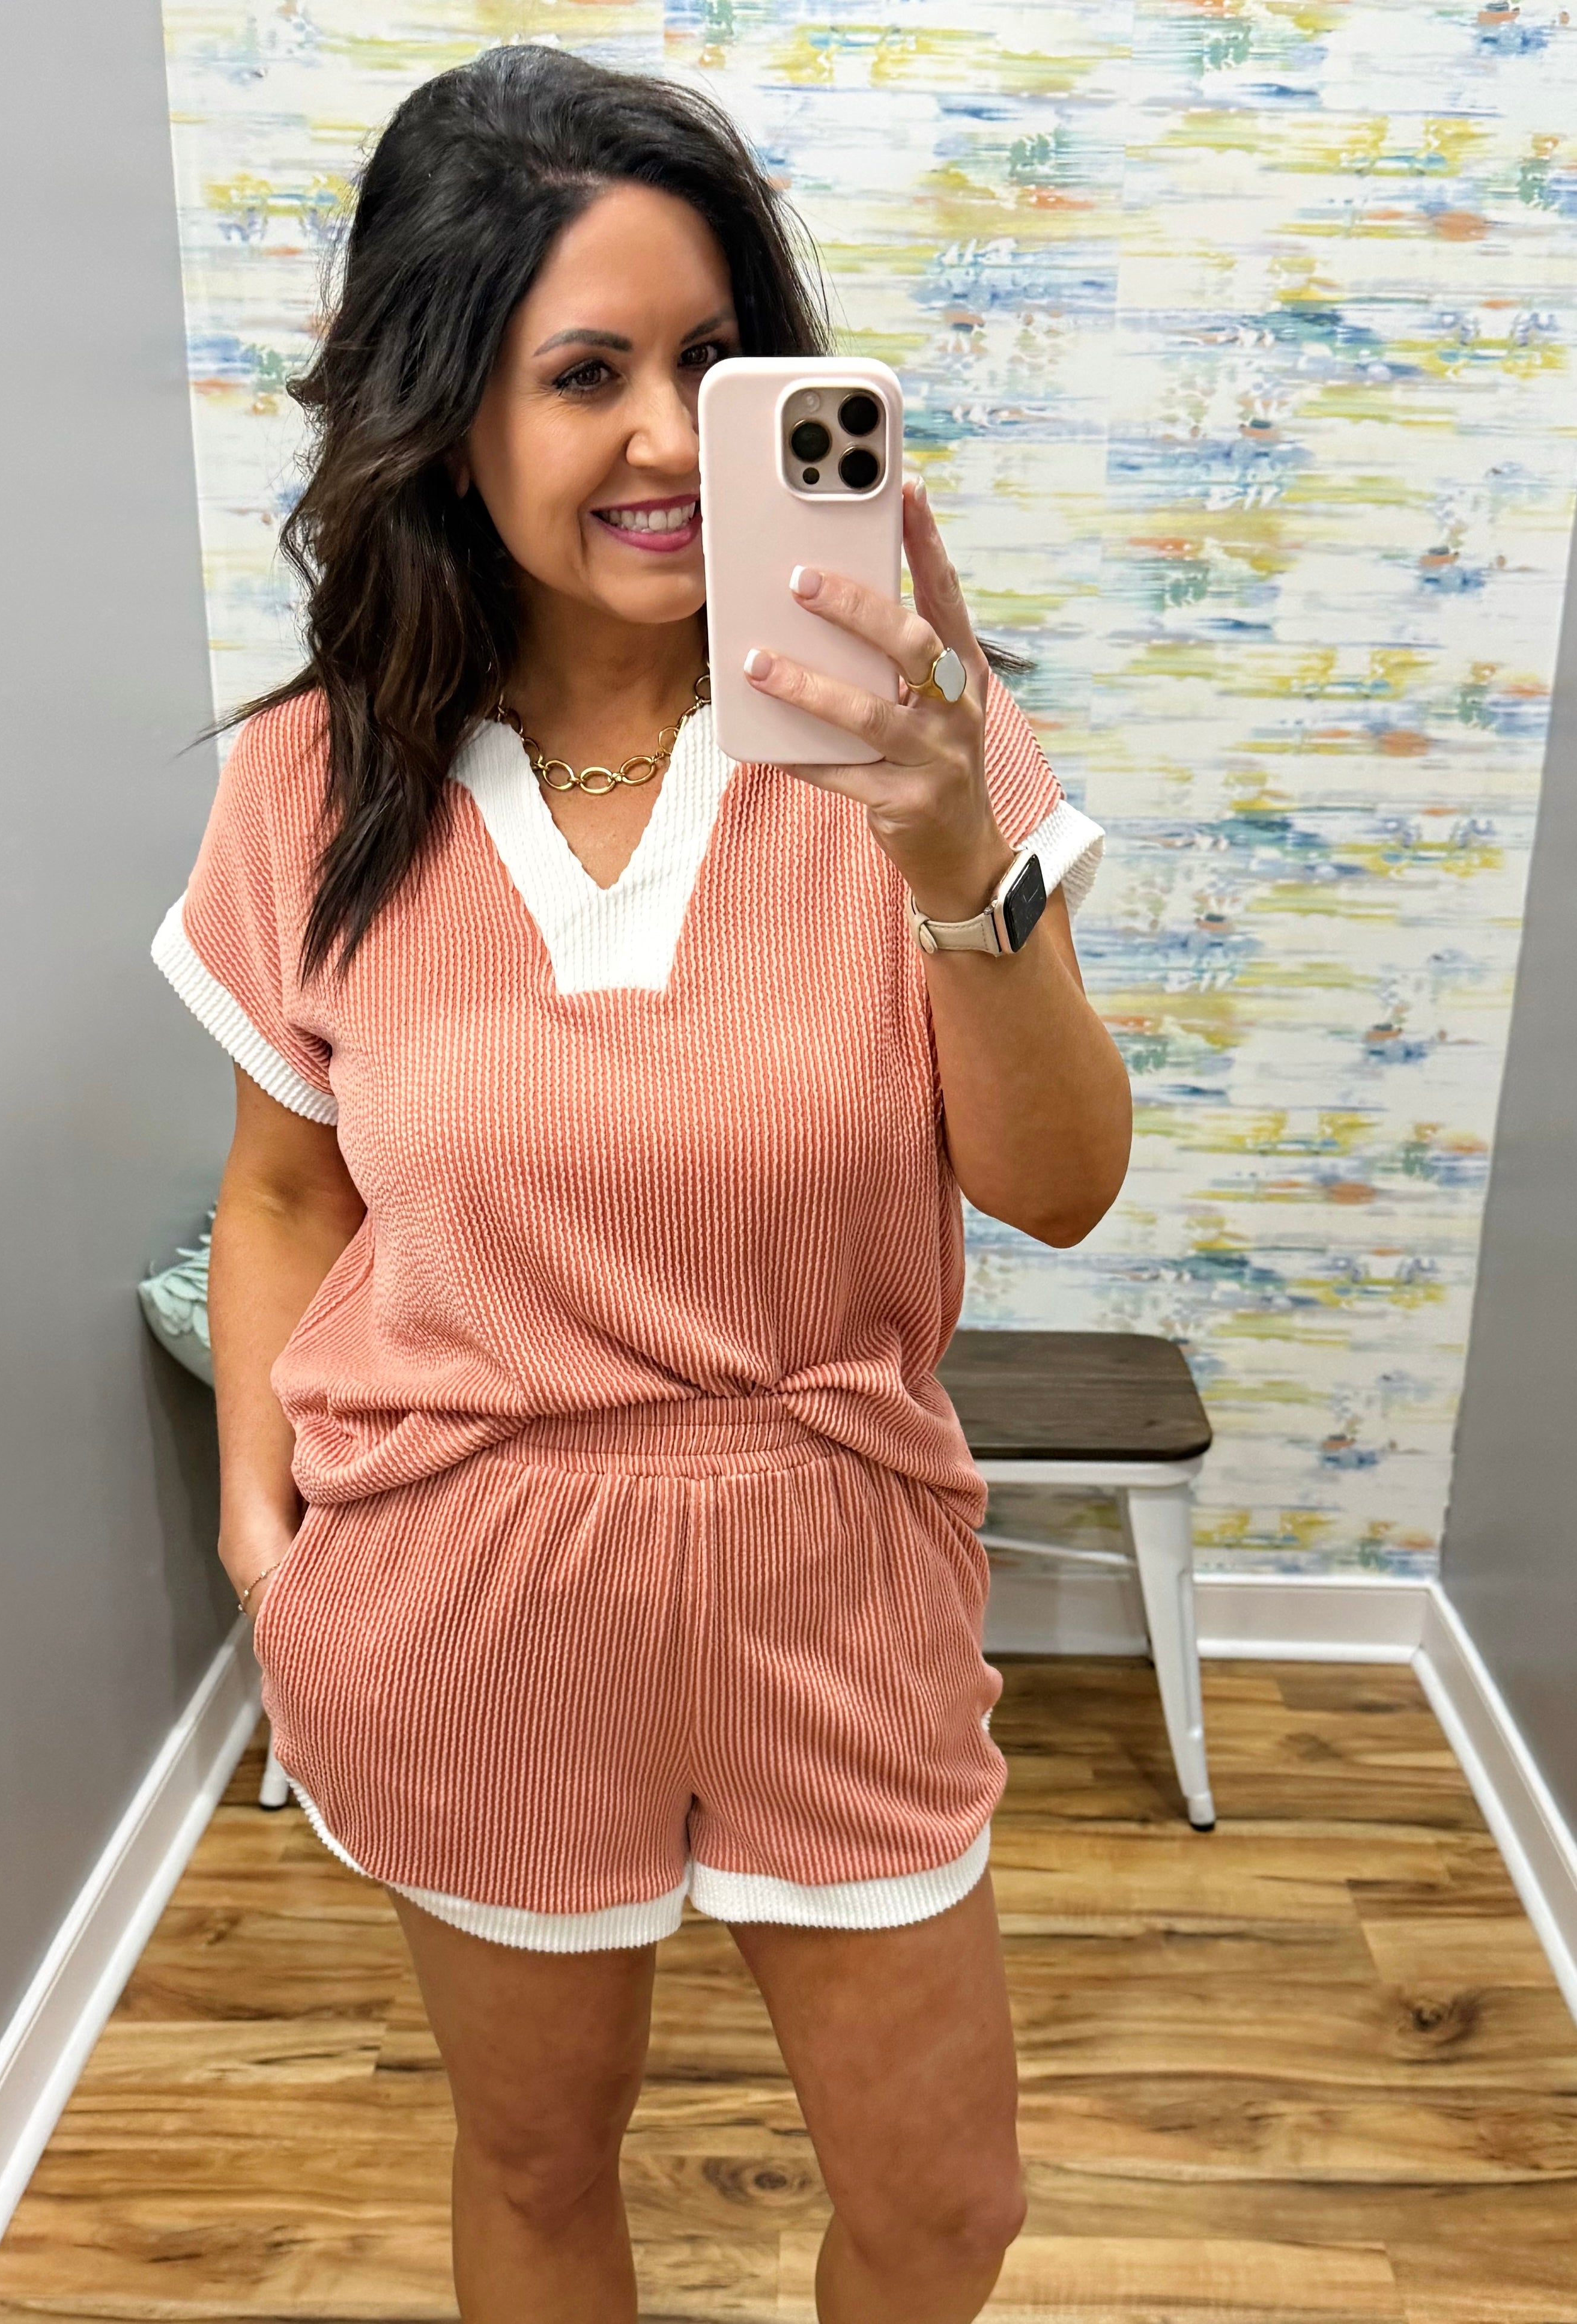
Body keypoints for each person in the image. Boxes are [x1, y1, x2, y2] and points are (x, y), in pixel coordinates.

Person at [153, 44, 1130, 2324]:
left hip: (832, 1554)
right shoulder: (315, 784)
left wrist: (939, 844)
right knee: (532, 2158)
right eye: (583, 373)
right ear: (442, 413)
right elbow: (286, 1194)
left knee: (941, 2205)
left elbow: (1063, 1189)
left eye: (714, 361)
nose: (671, 437)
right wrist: (254, 1503)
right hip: (462, 1586)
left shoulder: (922, 730)